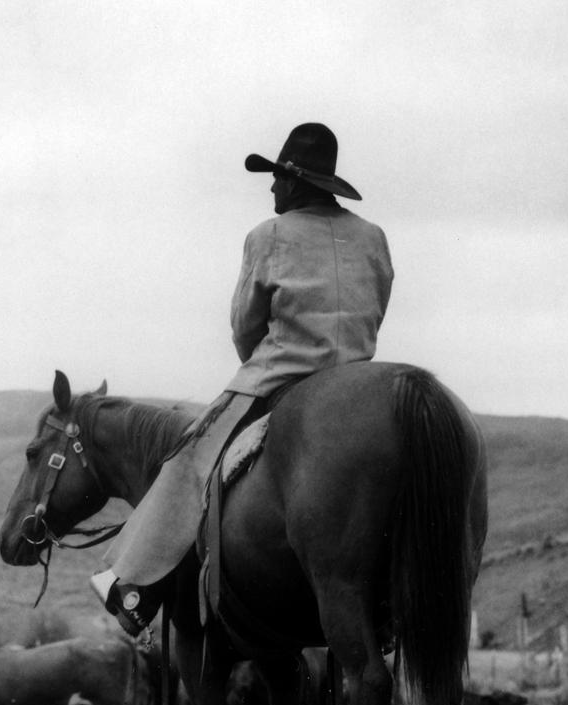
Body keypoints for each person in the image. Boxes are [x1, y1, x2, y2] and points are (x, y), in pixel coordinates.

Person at [90, 122, 395, 636]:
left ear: (297, 183)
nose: (273, 188)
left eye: (278, 179)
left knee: (189, 456)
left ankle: (136, 590)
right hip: (357, 377)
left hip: (279, 375)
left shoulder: (267, 236)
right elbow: (378, 306)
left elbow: (245, 324)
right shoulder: (372, 236)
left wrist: (262, 363)